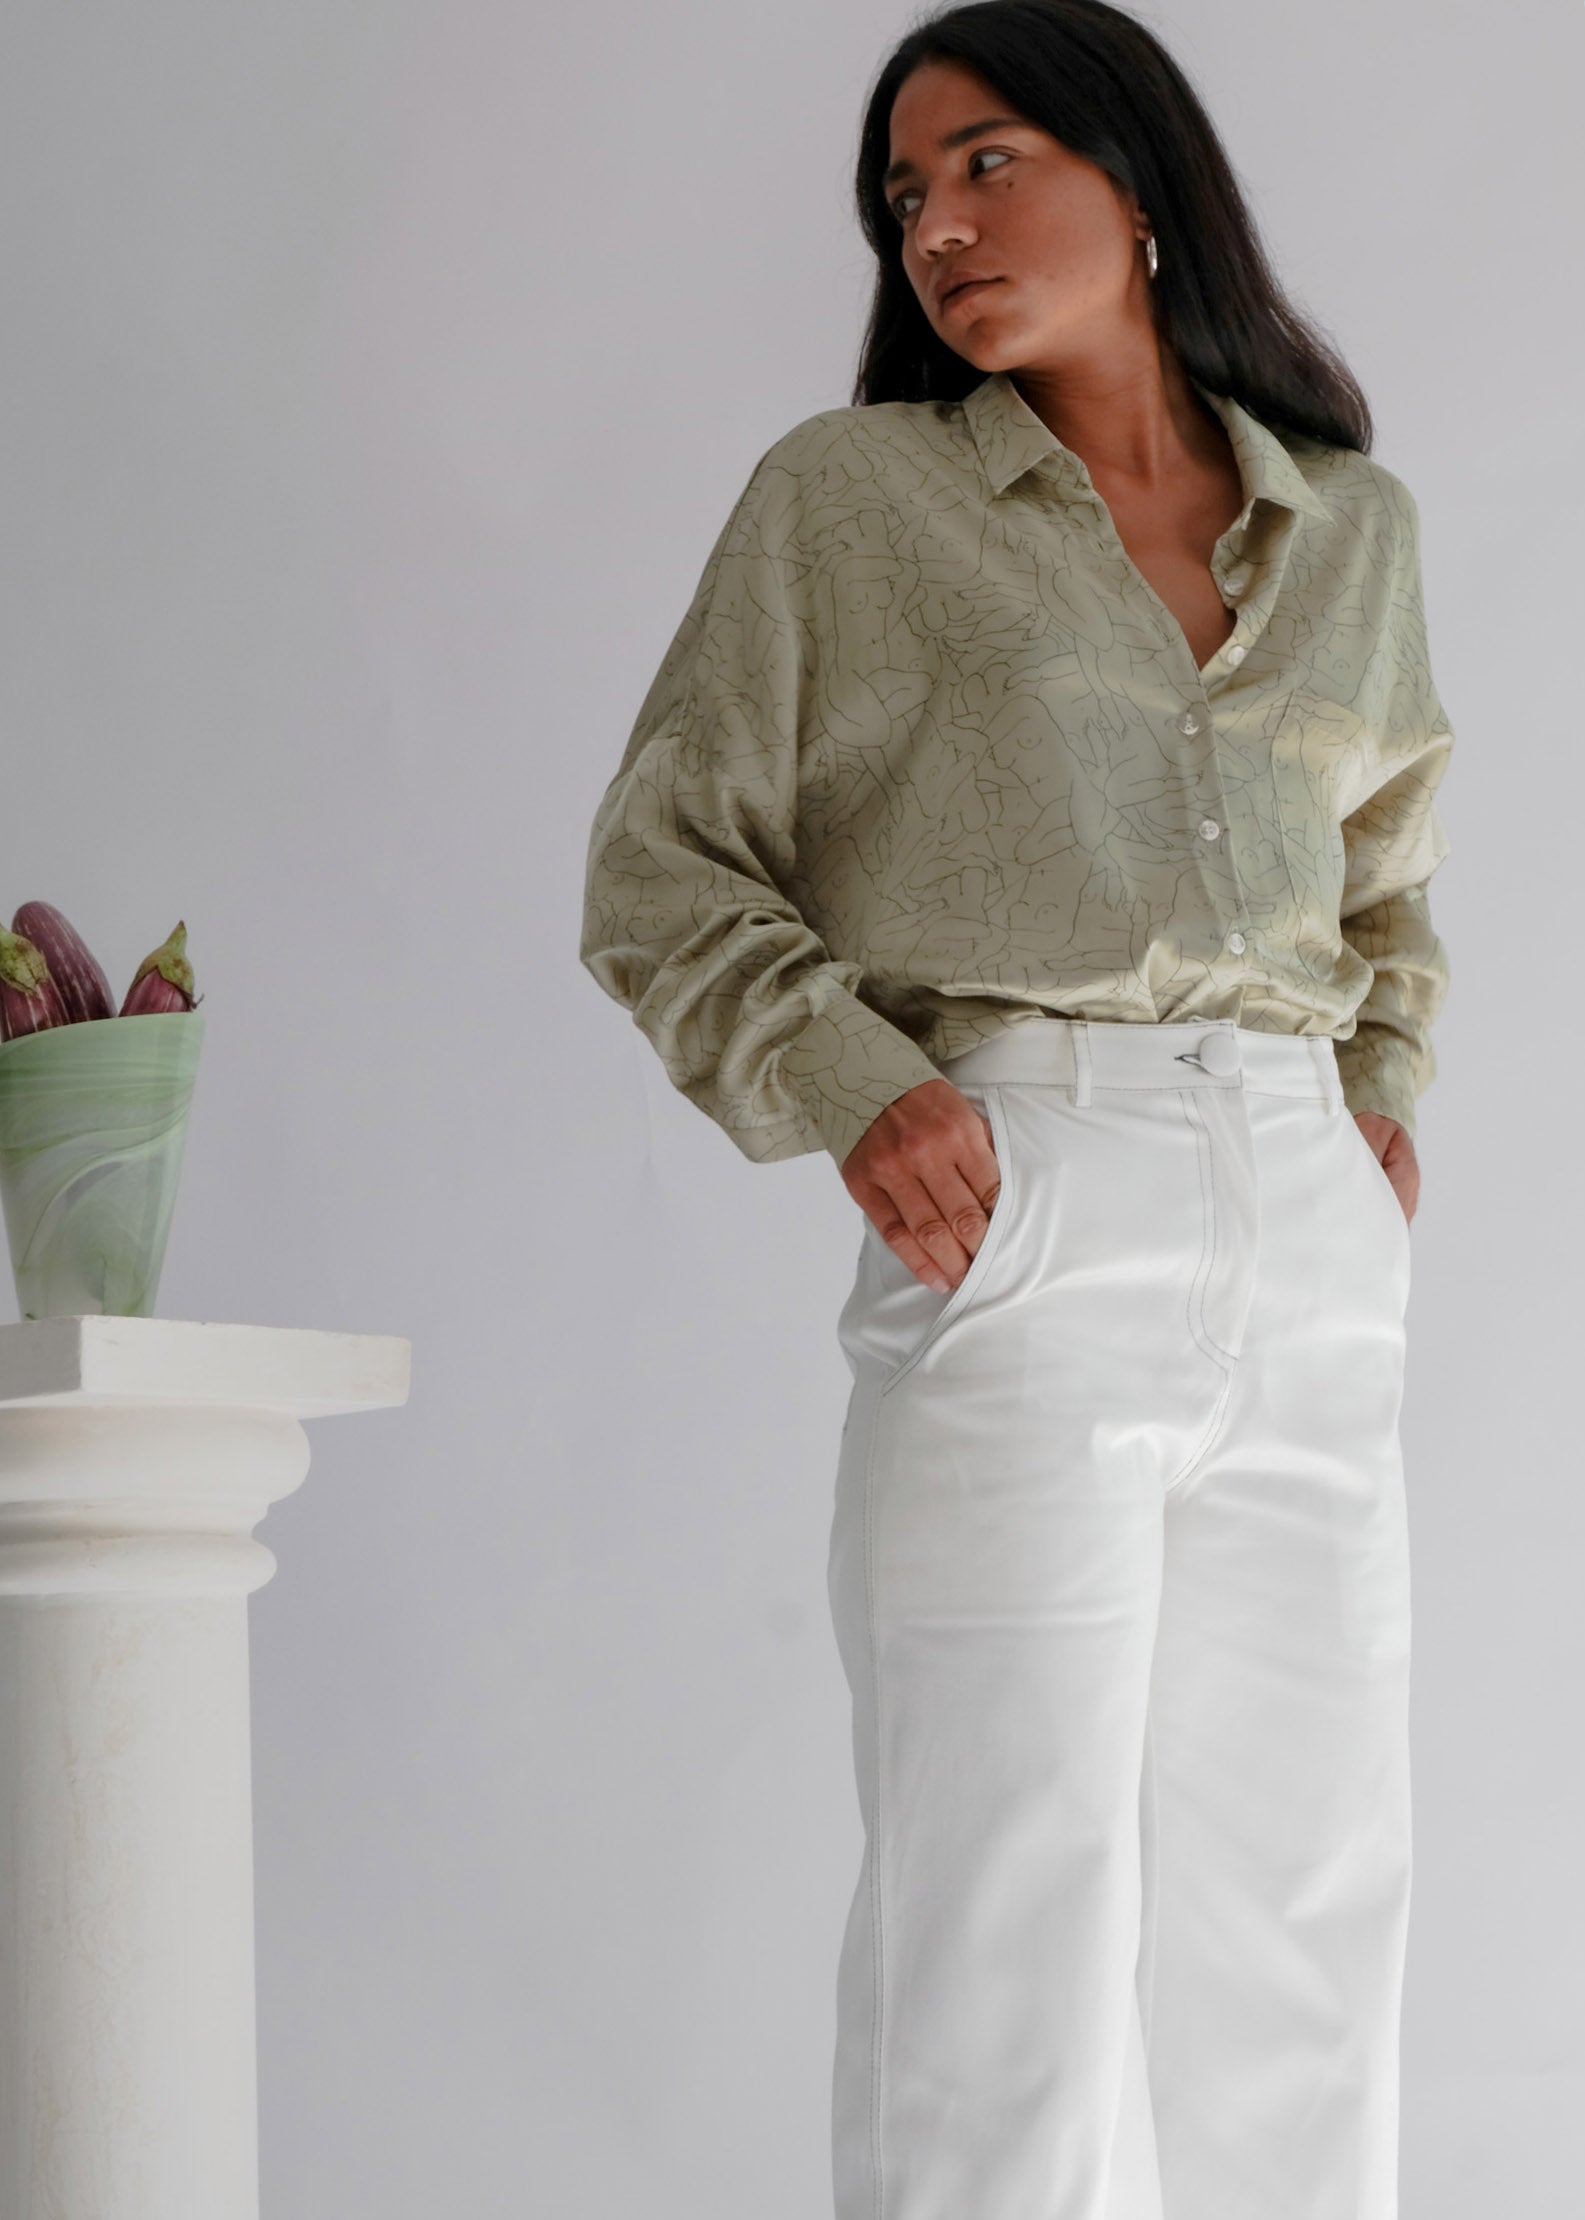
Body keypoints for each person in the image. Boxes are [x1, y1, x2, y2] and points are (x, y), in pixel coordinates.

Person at [578, 1, 1454, 2212]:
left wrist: (1372, 1091)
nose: (938, 228)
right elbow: (661, 864)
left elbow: (1385, 876)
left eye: (986, 164)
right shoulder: (853, 500)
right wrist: (853, 1085)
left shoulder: (1346, 528)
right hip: (1022, 1201)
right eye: (905, 197)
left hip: (1308, 1237)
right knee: (1006, 1929)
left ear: (1137, 183)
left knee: (1310, 1923)